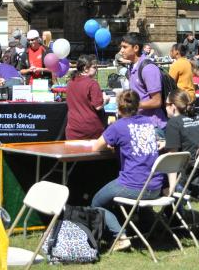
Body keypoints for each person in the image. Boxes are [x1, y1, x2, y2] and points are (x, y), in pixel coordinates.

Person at [91, 90, 163, 251]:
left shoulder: (118, 126)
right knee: (140, 202)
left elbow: (96, 146)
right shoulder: (149, 122)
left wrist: (113, 143)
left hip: (133, 184)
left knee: (96, 202)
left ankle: (119, 236)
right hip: (155, 186)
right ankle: (151, 229)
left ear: (118, 107)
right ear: (138, 106)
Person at [119, 32, 167, 130]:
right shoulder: (132, 66)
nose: (121, 51)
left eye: (124, 47)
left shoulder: (148, 68)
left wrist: (130, 106)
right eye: (121, 47)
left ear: (136, 48)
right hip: (140, 124)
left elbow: (157, 101)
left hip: (154, 127)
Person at [65, 55, 106, 140]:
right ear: (85, 68)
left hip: (73, 129)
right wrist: (106, 100)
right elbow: (98, 106)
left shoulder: (70, 83)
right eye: (94, 67)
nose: (96, 70)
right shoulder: (92, 83)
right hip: (90, 130)